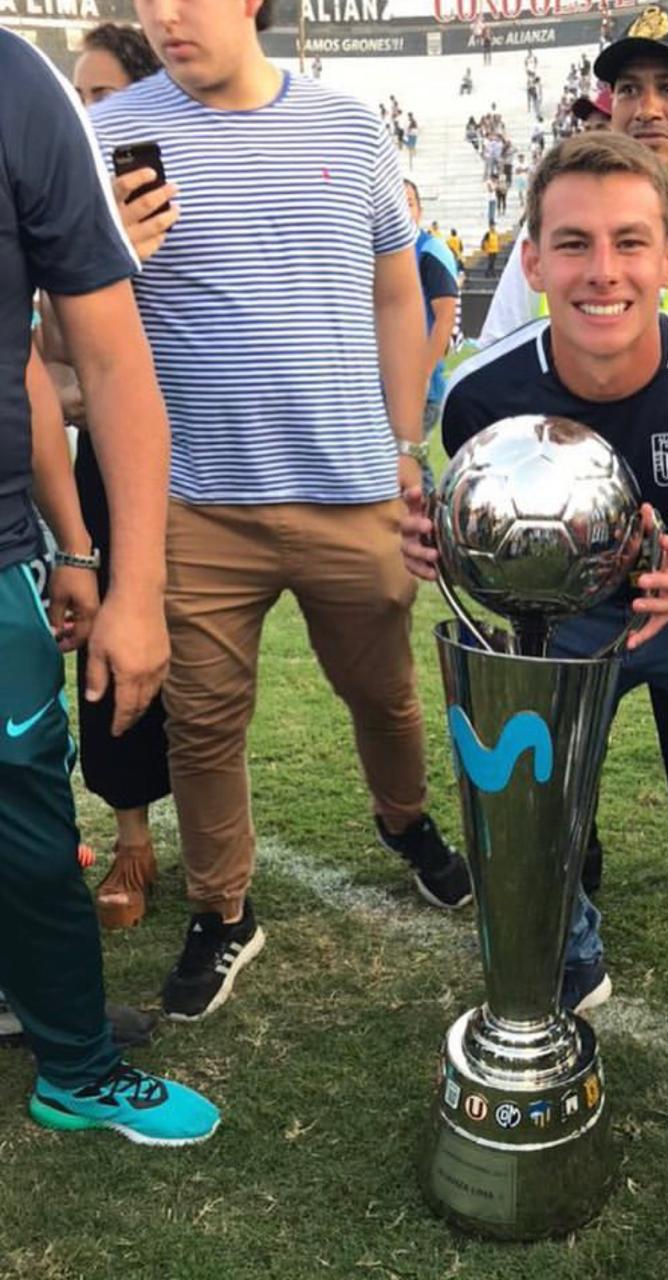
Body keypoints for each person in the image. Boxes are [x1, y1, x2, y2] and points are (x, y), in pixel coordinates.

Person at [404, 133, 668, 1142]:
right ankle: (574, 949)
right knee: (531, 803)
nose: (603, 271)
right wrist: (438, 543)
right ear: (533, 261)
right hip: (565, 619)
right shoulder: (481, 395)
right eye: (574, 243)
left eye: (630, 242)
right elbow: (480, 536)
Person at [92, 0, 470, 1024]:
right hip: (197, 505)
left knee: (383, 692)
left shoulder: (349, 126)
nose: (165, 13)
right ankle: (223, 909)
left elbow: (400, 294)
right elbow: (67, 328)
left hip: (352, 490)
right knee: (203, 726)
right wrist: (107, 251)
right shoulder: (108, 133)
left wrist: (402, 443)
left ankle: (406, 821)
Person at [479, 4, 668, 906]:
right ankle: (573, 871)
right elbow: (500, 378)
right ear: (604, 105)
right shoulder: (555, 229)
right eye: (627, 88)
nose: (647, 106)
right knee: (559, 756)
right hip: (571, 563)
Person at [0, 27, 217, 1143]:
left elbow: (87, 359)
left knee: (30, 829)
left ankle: (72, 1060)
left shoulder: (16, 83)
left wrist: (102, 562)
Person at [35, 23, 170, 932]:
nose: (87, 115)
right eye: (79, 98)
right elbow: (49, 350)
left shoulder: (180, 184)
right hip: (106, 465)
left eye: (104, 97)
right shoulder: (71, 199)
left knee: (207, 663)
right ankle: (131, 831)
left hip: (214, 459)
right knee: (102, 643)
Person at [403, 181, 460, 438]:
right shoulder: (376, 252)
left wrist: (423, 375)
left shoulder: (429, 250)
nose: (402, 210)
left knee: (406, 461)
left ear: (420, 211)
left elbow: (445, 318)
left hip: (418, 389)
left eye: (409, 203)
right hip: (380, 385)